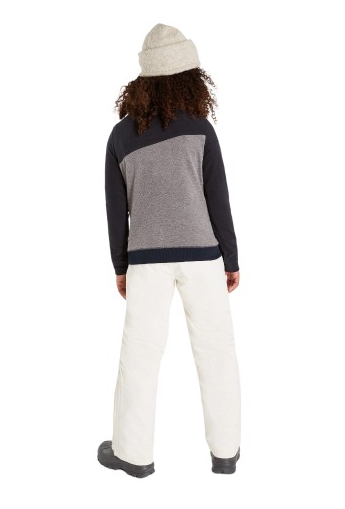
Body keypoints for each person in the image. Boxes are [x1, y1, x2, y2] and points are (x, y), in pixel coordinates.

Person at [98, 23, 241, 478]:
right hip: (204, 257)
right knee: (216, 352)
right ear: (189, 78)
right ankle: (226, 454)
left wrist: (120, 266)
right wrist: (231, 259)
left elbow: (116, 211)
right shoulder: (201, 129)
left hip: (146, 262)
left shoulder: (121, 136)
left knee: (139, 357)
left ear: (143, 81)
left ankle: (133, 455)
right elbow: (218, 199)